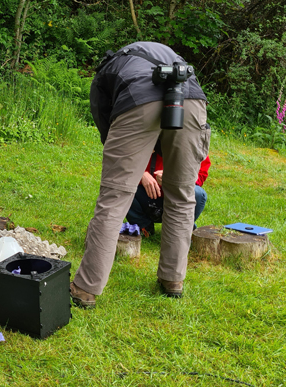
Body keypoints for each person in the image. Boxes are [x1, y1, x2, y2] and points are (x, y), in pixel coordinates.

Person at [70, 41, 210, 308]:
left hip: (138, 102)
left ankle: (85, 289)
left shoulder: (107, 72)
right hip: (191, 99)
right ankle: (173, 280)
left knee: (114, 198)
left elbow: (105, 121)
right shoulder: (168, 56)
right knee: (182, 195)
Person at [126, 148, 211, 237]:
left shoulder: (191, 139)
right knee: (120, 188)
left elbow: (201, 175)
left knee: (198, 194)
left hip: (177, 197)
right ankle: (144, 227)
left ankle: (182, 227)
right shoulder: (142, 136)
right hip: (145, 195)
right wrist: (141, 174)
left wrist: (175, 178)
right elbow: (122, 163)